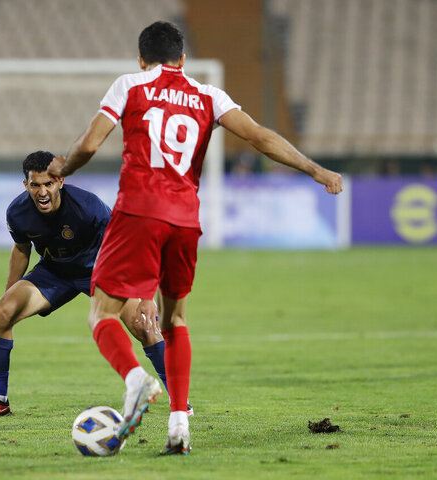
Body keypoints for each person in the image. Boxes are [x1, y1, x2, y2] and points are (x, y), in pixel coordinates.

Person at [47, 21, 343, 454]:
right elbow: (260, 137)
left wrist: (64, 167)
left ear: (141, 59)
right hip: (185, 220)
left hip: (138, 211)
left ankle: (136, 380)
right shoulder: (208, 95)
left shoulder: (130, 85)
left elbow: (90, 145)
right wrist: (316, 170)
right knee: (174, 320)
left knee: (102, 313)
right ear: (183, 60)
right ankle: (179, 425)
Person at [0, 150, 175, 417]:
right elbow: (21, 249)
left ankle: (179, 402)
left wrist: (146, 294)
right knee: (1, 312)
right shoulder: (17, 212)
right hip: (54, 273)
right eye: (36, 185)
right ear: (25, 184)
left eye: (48, 184)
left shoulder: (89, 207)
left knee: (144, 325)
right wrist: (11, 295)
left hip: (102, 270)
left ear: (60, 181)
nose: (42, 192)